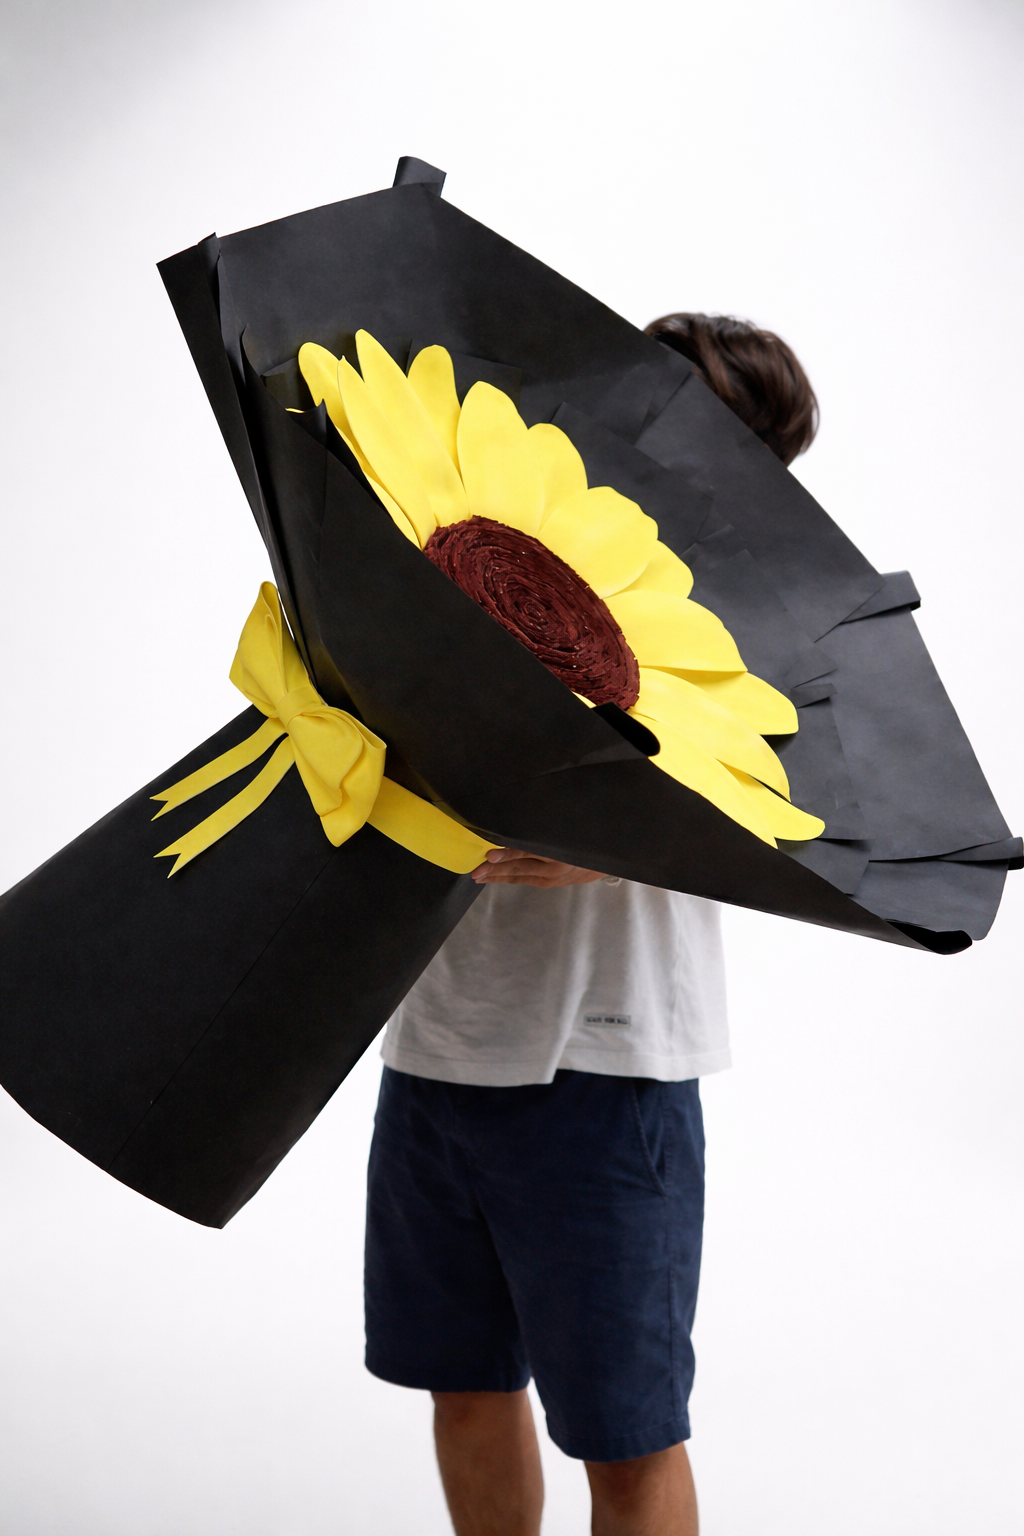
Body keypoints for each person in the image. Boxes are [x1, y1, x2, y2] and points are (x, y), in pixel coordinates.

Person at [363, 315, 819, 1536]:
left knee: (626, 1438)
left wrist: (622, 844)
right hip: (437, 1039)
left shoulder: (759, 622)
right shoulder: (498, 534)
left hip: (609, 1071)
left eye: (695, 418)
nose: (653, 431)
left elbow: (806, 818)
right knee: (463, 1383)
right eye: (642, 399)